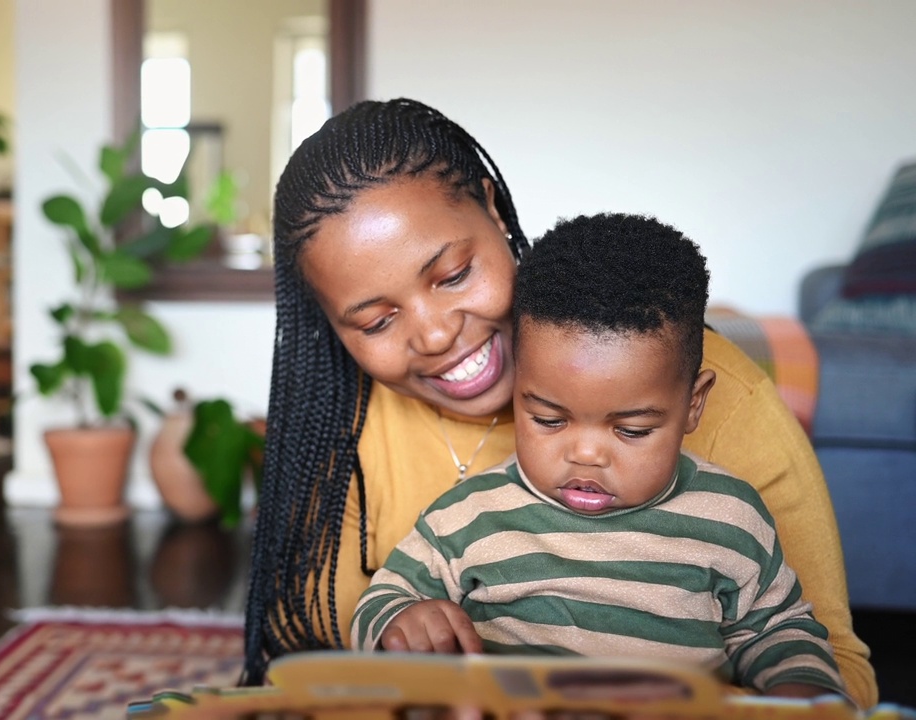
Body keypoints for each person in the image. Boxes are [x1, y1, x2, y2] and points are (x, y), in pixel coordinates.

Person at [240, 97, 876, 707]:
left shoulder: (725, 416)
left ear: (491, 209)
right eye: (376, 321)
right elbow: (310, 651)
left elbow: (825, 666)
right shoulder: (340, 430)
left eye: (455, 275)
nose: (434, 335)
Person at [350, 213, 847, 700]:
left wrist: (800, 689)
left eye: (631, 429)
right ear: (519, 386)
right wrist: (400, 620)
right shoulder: (466, 515)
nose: (585, 454)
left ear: (693, 404)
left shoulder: (732, 518)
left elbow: (778, 631)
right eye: (548, 420)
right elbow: (384, 601)